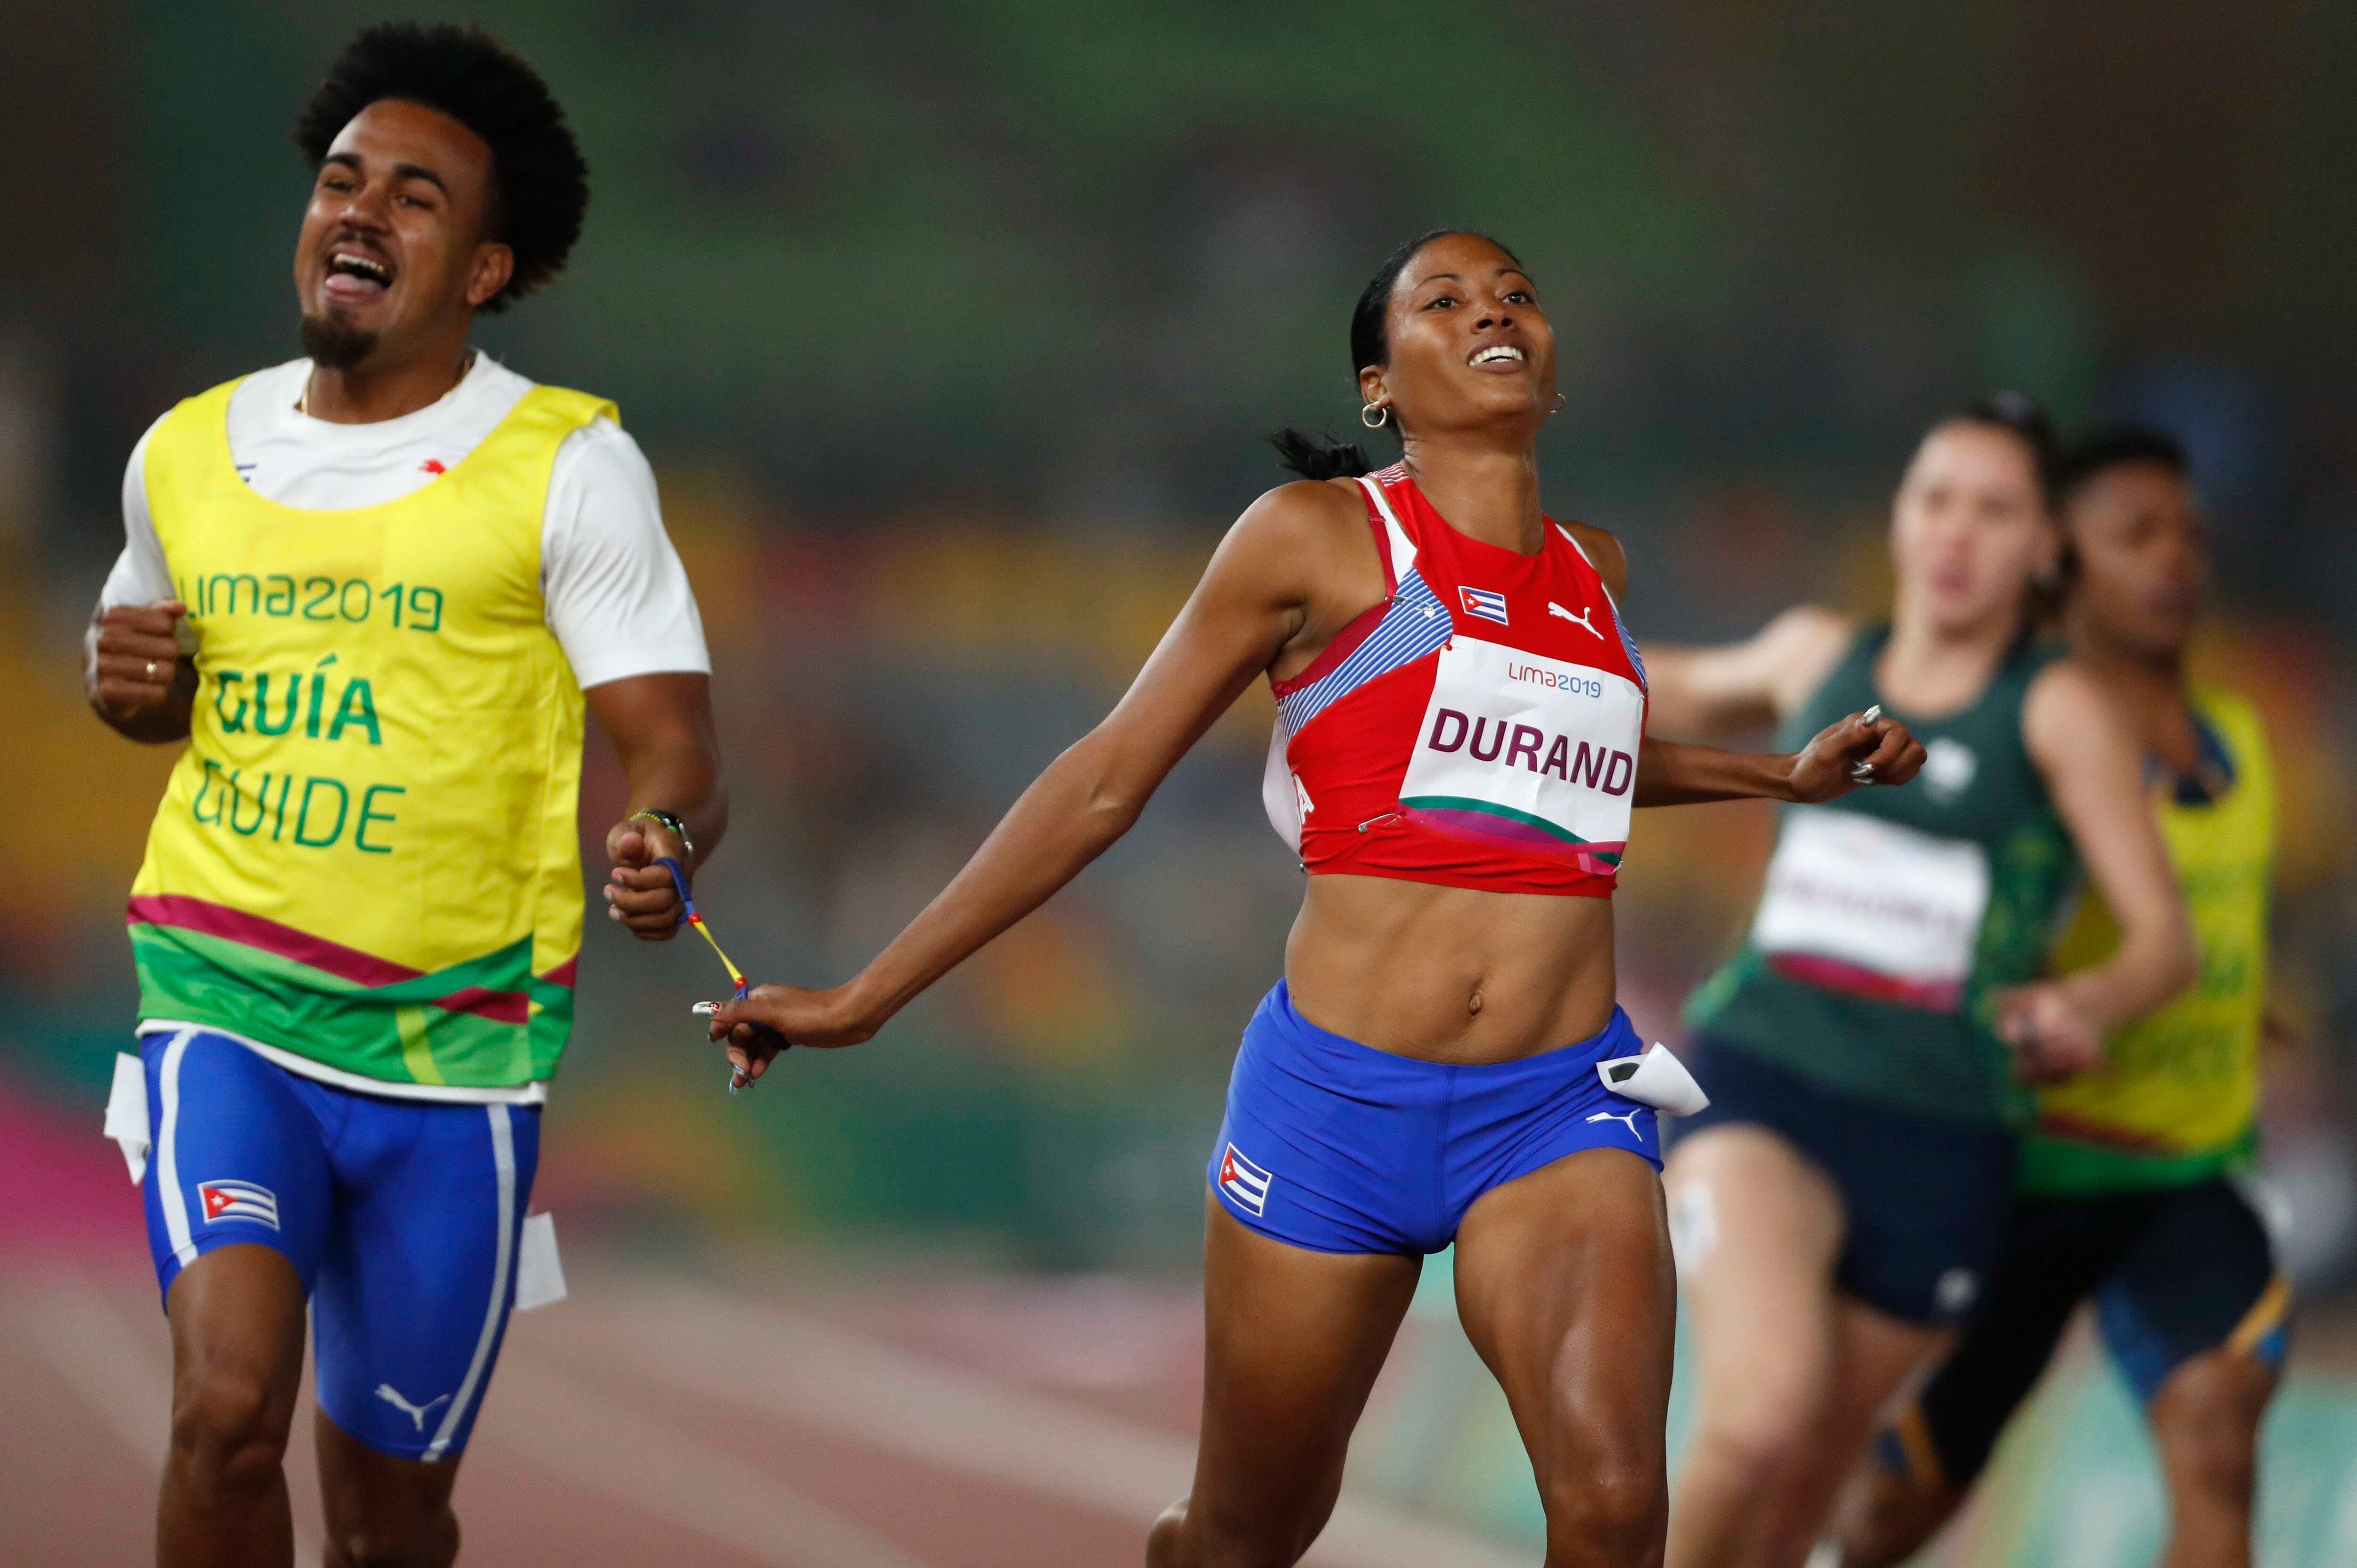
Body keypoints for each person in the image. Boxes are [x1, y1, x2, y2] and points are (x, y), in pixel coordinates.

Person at [705, 229, 1924, 1568]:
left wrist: (1781, 777)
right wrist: (868, 994)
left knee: (1617, 1505)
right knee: (1250, 1529)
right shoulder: (1319, 541)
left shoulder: (1597, 573)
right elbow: (1108, 776)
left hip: (1558, 1099)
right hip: (1337, 1107)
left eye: (1516, 295)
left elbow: (1566, 772)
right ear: (1378, 389)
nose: (1493, 310)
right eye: (1445, 300)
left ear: (1554, 373)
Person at [82, 25, 724, 1568]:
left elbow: (677, 745)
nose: (358, 211)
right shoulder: (184, 452)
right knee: (223, 1412)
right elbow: (140, 678)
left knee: (391, 1517)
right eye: (341, 180)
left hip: (457, 1063)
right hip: (224, 1006)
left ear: (487, 268)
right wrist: (126, 695)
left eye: (416, 196)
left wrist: (664, 843)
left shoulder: (567, 466)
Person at [1640, 396, 2196, 1568]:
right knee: (1756, 1419)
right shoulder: (1813, 654)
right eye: (1934, 499)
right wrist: (1489, 654)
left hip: (1942, 1140)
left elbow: (2163, 942)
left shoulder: (2057, 709)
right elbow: (1645, 682)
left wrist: (2080, 1005)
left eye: (1993, 511)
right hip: (1764, 1080)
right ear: (1897, 517)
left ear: (2046, 546)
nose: (1954, 534)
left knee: (1801, 1496)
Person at [1831, 427, 2288, 1568]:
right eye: (2136, 534)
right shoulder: (2029, 749)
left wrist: (2247, 1005)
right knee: (1890, 1514)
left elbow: (2214, 932)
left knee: (2218, 1438)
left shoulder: (2245, 742)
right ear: (2059, 563)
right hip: (2016, 1186)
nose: (2175, 558)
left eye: (2187, 533)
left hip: (2176, 1180)